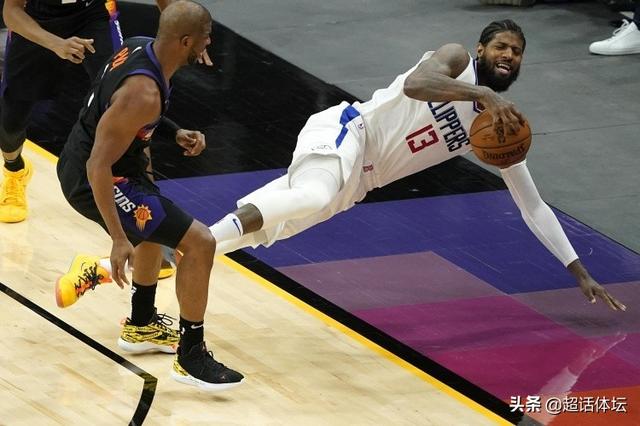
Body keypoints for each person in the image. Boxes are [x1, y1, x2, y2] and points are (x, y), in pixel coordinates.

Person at [209, 19, 626, 312]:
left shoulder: (497, 125)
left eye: (517, 52)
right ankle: (196, 243)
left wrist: (578, 271)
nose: (509, 55)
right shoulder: (456, 60)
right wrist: (482, 93)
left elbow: (532, 206)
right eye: (501, 46)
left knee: (272, 229)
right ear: (481, 50)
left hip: (361, 182)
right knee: (311, 195)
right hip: (350, 131)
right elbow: (415, 84)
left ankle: (191, 248)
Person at [56, 0, 244, 391]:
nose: (209, 43)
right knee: (200, 242)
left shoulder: (141, 47)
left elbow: (121, 110)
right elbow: (97, 165)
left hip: (109, 162)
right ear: (186, 40)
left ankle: (141, 324)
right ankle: (191, 356)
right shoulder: (143, 93)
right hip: (96, 175)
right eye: (206, 36)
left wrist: (173, 131)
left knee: (155, 222)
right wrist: (118, 238)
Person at [0, 0, 122, 223]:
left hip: (91, 12)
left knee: (119, 93)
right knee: (11, 120)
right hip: (38, 16)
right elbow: (11, 11)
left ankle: (129, 187)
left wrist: (174, 21)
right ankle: (15, 170)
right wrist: (56, 43)